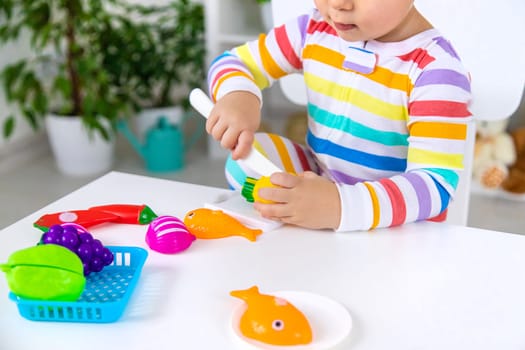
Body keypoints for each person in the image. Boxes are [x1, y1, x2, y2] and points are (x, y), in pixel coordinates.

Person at [205, 0, 472, 232]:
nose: (338, 4)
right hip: (321, 179)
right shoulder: (314, 28)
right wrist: (239, 95)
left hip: (396, 224)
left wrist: (340, 206)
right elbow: (234, 62)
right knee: (247, 163)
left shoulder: (437, 70)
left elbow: (435, 185)